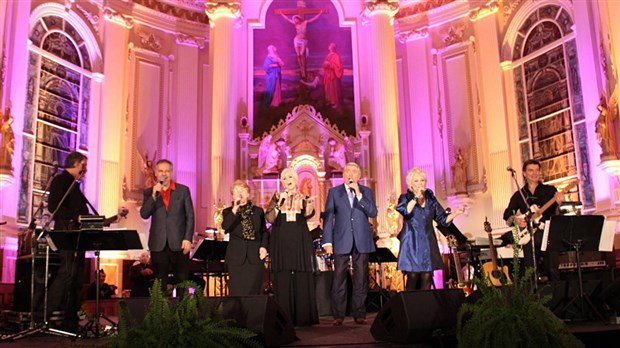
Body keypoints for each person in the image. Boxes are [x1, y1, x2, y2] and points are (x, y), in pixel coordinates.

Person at [322, 162, 378, 326]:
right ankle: (338, 314)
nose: (350, 174)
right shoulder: (334, 192)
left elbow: (373, 212)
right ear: (343, 175)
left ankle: (359, 312)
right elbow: (328, 218)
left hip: (362, 239)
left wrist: (359, 195)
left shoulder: (366, 192)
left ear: (359, 176)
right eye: (347, 171)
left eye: (354, 171)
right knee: (339, 278)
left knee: (361, 278)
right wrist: (327, 241)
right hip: (341, 239)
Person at [396, 168, 465, 290]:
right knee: (412, 275)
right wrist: (416, 198)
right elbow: (405, 211)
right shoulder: (405, 198)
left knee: (427, 275)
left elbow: (442, 219)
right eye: (416, 181)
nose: (420, 183)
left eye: (423, 180)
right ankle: (410, 306)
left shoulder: (431, 199)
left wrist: (456, 213)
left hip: (427, 242)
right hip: (411, 242)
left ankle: (424, 307)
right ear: (411, 184)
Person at [265, 167, 318, 326]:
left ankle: (303, 316)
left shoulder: (303, 197)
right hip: (281, 240)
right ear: (282, 181)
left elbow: (309, 214)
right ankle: (284, 316)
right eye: (285, 178)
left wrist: (308, 204)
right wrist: (279, 203)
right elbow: (270, 219)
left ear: (296, 180)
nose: (288, 180)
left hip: (300, 239)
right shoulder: (276, 197)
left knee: (302, 275)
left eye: (291, 177)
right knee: (283, 276)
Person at [46, 151, 90, 332]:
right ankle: (45, 316)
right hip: (66, 234)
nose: (85, 169)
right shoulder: (60, 181)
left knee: (77, 277)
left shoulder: (74, 185)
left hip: (77, 236)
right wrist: (76, 216)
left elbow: (82, 210)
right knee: (66, 275)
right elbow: (53, 206)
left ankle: (70, 321)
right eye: (83, 165)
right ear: (76, 164)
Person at [502, 159, 564, 280]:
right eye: (531, 170)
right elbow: (507, 213)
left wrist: (560, 203)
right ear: (524, 173)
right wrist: (516, 219)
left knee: (551, 263)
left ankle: (554, 284)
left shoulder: (550, 190)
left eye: (537, 170)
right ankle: (531, 282)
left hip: (548, 231)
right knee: (528, 243)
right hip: (530, 233)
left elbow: (560, 210)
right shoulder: (519, 194)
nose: (534, 173)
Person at [140, 159, 195, 290]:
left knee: (182, 283)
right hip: (158, 245)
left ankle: (183, 310)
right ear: (156, 173)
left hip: (179, 244)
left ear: (171, 173)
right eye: (161, 171)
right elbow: (144, 214)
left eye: (167, 171)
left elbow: (190, 216)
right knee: (159, 285)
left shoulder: (183, 191)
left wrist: (188, 238)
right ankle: (161, 311)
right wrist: (154, 195)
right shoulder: (149, 193)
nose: (164, 174)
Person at [222, 180, 268, 296]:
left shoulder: (258, 211)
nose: (240, 195)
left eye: (242, 191)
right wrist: (235, 209)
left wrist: (263, 247)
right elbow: (226, 226)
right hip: (236, 258)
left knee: (255, 292)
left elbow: (264, 232)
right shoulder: (228, 212)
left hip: (255, 257)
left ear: (248, 193)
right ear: (232, 196)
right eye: (236, 192)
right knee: (237, 292)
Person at [280, 10, 326, 78]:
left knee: (302, 55)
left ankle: (303, 69)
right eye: (294, 20)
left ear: (299, 19)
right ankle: (301, 69)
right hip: (296, 40)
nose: (295, 21)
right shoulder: (295, 24)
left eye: (296, 19)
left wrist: (320, 13)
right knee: (298, 55)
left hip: (303, 41)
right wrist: (281, 13)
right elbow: (287, 19)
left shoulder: (305, 22)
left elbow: (314, 19)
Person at [322, 43, 343, 109]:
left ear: (334, 47)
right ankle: (330, 101)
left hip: (333, 75)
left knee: (334, 89)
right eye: (330, 46)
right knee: (328, 88)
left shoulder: (336, 56)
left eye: (331, 46)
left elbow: (338, 66)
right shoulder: (328, 55)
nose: (330, 47)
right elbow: (324, 64)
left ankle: (336, 103)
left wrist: (329, 64)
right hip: (328, 75)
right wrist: (325, 64)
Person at [0, 108, 15, 172]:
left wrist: (12, 139)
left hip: (8, 145)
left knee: (9, 155)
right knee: (5, 154)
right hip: (6, 144)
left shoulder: (9, 127)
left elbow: (12, 136)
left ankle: (8, 164)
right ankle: (5, 164)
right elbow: (3, 129)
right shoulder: (5, 126)